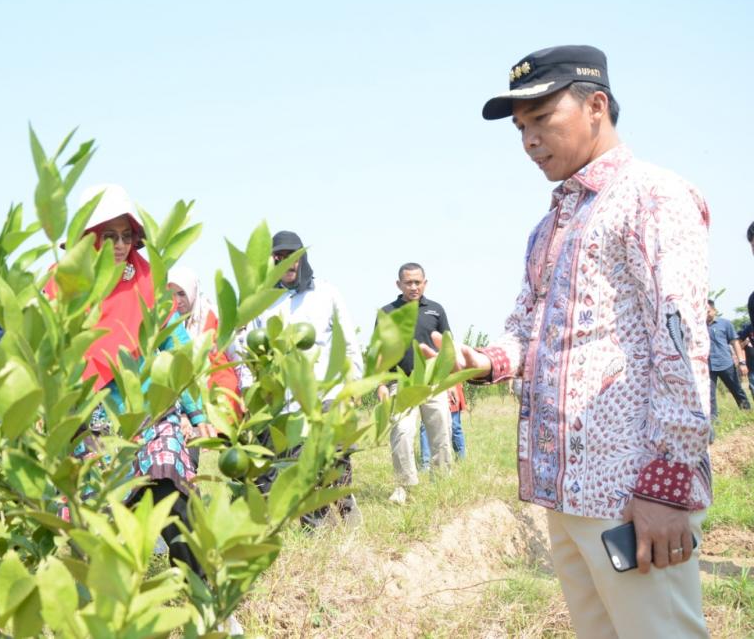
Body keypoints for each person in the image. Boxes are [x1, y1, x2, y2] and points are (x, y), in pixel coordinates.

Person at [434, 45, 712, 636]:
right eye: (520, 128)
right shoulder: (551, 224)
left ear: (596, 106)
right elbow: (528, 326)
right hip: (567, 490)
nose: (529, 141)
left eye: (542, 119)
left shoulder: (651, 197)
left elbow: (680, 344)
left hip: (630, 490)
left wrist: (665, 485)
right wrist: (482, 360)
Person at [45, 184, 213, 576]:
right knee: (94, 519)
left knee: (172, 492)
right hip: (89, 421)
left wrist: (196, 409)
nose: (120, 245)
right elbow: (46, 354)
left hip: (149, 414)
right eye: (110, 236)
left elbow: (177, 346)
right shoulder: (63, 284)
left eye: (126, 236)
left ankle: (208, 600)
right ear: (89, 237)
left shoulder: (147, 281)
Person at [251, 231, 364, 526]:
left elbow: (348, 341)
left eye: (292, 255)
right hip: (287, 402)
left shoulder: (326, 293)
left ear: (302, 258)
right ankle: (318, 533)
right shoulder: (263, 302)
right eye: (279, 256)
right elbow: (248, 349)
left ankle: (349, 519)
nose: (286, 261)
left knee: (335, 462)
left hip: (328, 392)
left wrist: (353, 385)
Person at [377, 262, 454, 505]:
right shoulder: (388, 312)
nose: (413, 286)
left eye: (417, 282)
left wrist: (451, 382)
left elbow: (447, 349)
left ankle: (443, 483)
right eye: (408, 282)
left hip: (433, 383)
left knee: (441, 432)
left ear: (425, 283)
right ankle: (404, 487)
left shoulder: (436, 310)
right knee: (401, 433)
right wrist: (379, 384)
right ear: (398, 284)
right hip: (402, 383)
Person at [167, 266, 249, 420]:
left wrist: (245, 394)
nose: (177, 301)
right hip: (197, 408)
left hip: (225, 401)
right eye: (172, 295)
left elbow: (238, 358)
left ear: (192, 292)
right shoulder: (172, 327)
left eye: (182, 294)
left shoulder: (214, 315)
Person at [706, 299, 750, 423]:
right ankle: (714, 420)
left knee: (737, 390)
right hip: (708, 367)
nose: (705, 314)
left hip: (726, 364)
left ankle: (747, 414)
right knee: (709, 395)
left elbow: (735, 343)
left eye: (708, 311)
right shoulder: (698, 327)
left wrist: (742, 362)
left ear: (714, 311)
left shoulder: (725, 324)